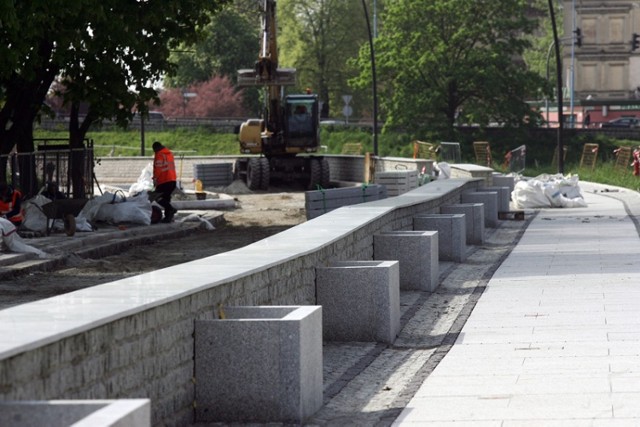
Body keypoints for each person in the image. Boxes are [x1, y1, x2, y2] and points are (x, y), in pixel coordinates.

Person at [152, 141, 178, 223]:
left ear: (155, 148)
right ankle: (168, 218)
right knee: (166, 199)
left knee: (155, 196)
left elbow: (158, 168)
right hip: (172, 180)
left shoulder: (159, 154)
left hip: (164, 181)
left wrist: (155, 179)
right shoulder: (169, 153)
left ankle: (171, 209)